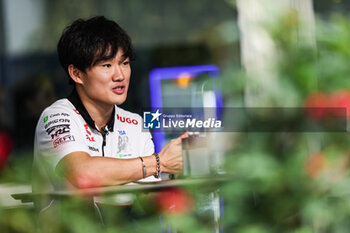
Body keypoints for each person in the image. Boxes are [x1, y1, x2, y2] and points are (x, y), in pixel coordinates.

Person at [32, 16, 188, 230]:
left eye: (124, 63)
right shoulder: (56, 117)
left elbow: (149, 197)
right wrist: (160, 162)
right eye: (107, 65)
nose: (120, 75)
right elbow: (81, 173)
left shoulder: (134, 123)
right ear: (76, 73)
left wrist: (181, 168)